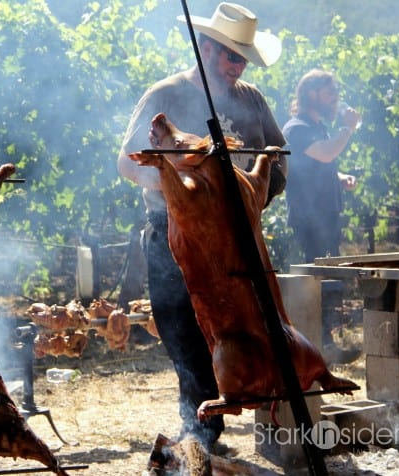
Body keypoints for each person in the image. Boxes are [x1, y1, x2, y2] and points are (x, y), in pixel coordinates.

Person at [117, 2, 286, 454]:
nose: (239, 66)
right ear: (206, 49)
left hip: (236, 240)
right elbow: (127, 164)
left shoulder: (252, 100)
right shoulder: (165, 94)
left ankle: (234, 409)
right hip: (174, 235)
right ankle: (200, 432)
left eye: (243, 58)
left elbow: (278, 164)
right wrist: (186, 197)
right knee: (185, 334)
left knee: (239, 327)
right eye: (232, 56)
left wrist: (245, 201)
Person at [283, 68, 361, 364]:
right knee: (318, 282)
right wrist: (348, 129)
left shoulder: (318, 129)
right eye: (330, 92)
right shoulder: (297, 128)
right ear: (312, 93)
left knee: (330, 279)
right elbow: (326, 153)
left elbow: (322, 163)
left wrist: (338, 177)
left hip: (325, 216)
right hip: (309, 219)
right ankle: (317, 346)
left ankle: (326, 343)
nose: (335, 98)